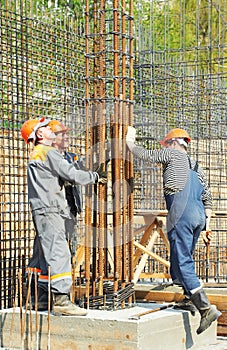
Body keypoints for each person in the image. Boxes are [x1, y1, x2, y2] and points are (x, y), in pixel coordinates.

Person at [126, 126, 221, 334]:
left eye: (167, 143)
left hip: (182, 211)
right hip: (198, 216)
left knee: (183, 259)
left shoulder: (171, 153)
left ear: (174, 143)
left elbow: (147, 155)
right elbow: (208, 199)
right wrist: (207, 227)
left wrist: (130, 142)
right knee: (180, 257)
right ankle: (188, 299)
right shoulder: (197, 167)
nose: (166, 147)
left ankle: (206, 309)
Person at [21, 117, 107, 316]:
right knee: (59, 252)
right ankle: (61, 300)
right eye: (45, 128)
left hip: (42, 209)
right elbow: (72, 174)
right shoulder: (47, 152)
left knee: (44, 254)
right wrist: (95, 176)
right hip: (51, 210)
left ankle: (40, 298)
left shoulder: (37, 154)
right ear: (40, 134)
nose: (51, 130)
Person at [48, 120, 84, 255]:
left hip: (70, 208)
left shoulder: (72, 157)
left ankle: (69, 272)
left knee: (70, 243)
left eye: (66, 134)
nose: (66, 137)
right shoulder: (47, 157)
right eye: (62, 134)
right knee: (55, 245)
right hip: (53, 209)